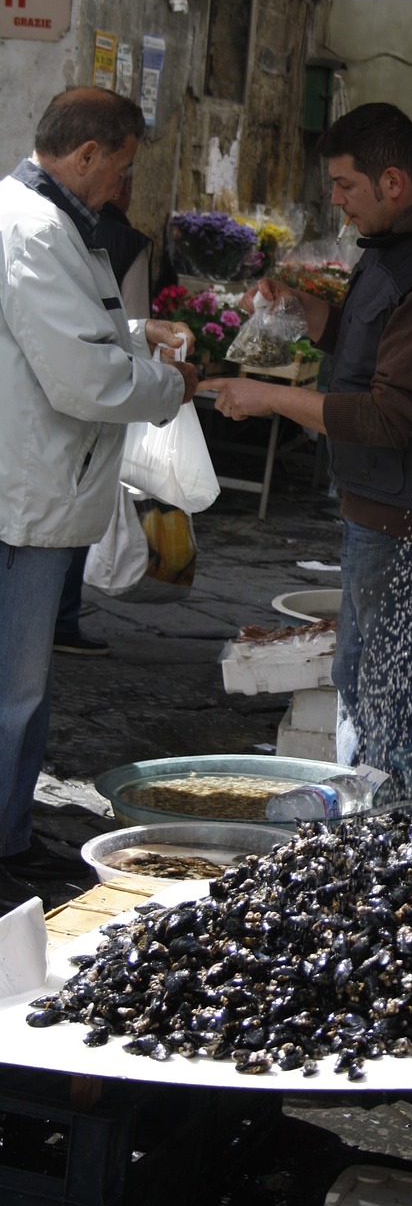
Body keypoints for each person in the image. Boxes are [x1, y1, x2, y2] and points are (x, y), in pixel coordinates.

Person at [206, 102, 412, 770]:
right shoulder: (398, 249)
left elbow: (390, 414)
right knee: (364, 670)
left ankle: (394, 823)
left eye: (345, 187)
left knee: (386, 685)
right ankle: (376, 814)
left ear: (393, 182)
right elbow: (371, 345)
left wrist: (270, 397)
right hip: (383, 503)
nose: (338, 204)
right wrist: (309, 311)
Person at [0, 86, 198, 915]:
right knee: (16, 691)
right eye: (120, 168)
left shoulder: (46, 220)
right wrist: (171, 384)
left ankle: (11, 835)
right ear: (85, 155)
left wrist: (132, 332)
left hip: (37, 483)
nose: (122, 186)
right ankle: (3, 852)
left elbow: (67, 331)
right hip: (26, 495)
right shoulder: (33, 227)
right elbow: (81, 378)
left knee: (24, 692)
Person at [52, 175, 153, 657]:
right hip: (96, 395)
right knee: (76, 509)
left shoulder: (57, 228)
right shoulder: (126, 242)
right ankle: (63, 620)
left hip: (52, 399)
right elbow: (132, 326)